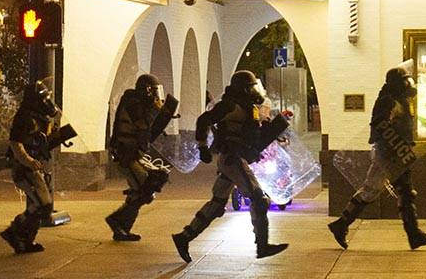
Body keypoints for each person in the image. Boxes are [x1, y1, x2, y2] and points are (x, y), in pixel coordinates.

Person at [172, 70, 290, 263]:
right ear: (243, 88)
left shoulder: (246, 107)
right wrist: (202, 147)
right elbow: (204, 119)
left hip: (235, 159)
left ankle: (184, 237)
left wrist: (273, 129)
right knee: (259, 200)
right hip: (232, 159)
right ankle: (262, 245)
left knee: (217, 204)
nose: (254, 91)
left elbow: (252, 133)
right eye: (251, 87)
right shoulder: (229, 105)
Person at [326, 63, 426, 251]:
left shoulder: (397, 99)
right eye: (405, 81)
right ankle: (414, 234)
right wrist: (400, 149)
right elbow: (380, 124)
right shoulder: (388, 100)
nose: (409, 84)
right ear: (398, 84)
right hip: (391, 154)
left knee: (370, 191)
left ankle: (341, 224)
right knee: (405, 192)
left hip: (391, 152)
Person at [0, 81, 77, 254]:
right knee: (43, 204)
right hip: (24, 168)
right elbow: (15, 142)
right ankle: (15, 232)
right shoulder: (25, 117)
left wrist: (58, 135)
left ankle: (24, 240)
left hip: (34, 167)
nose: (47, 103)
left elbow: (41, 140)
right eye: (43, 99)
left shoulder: (37, 117)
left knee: (39, 206)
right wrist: (28, 160)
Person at [105, 74, 179, 241]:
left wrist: (164, 114)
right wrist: (156, 110)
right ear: (146, 91)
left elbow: (149, 132)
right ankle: (117, 221)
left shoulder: (139, 103)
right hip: (126, 154)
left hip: (134, 154)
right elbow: (143, 124)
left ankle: (121, 227)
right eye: (154, 91)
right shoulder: (133, 103)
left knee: (152, 181)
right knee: (145, 189)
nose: (156, 96)